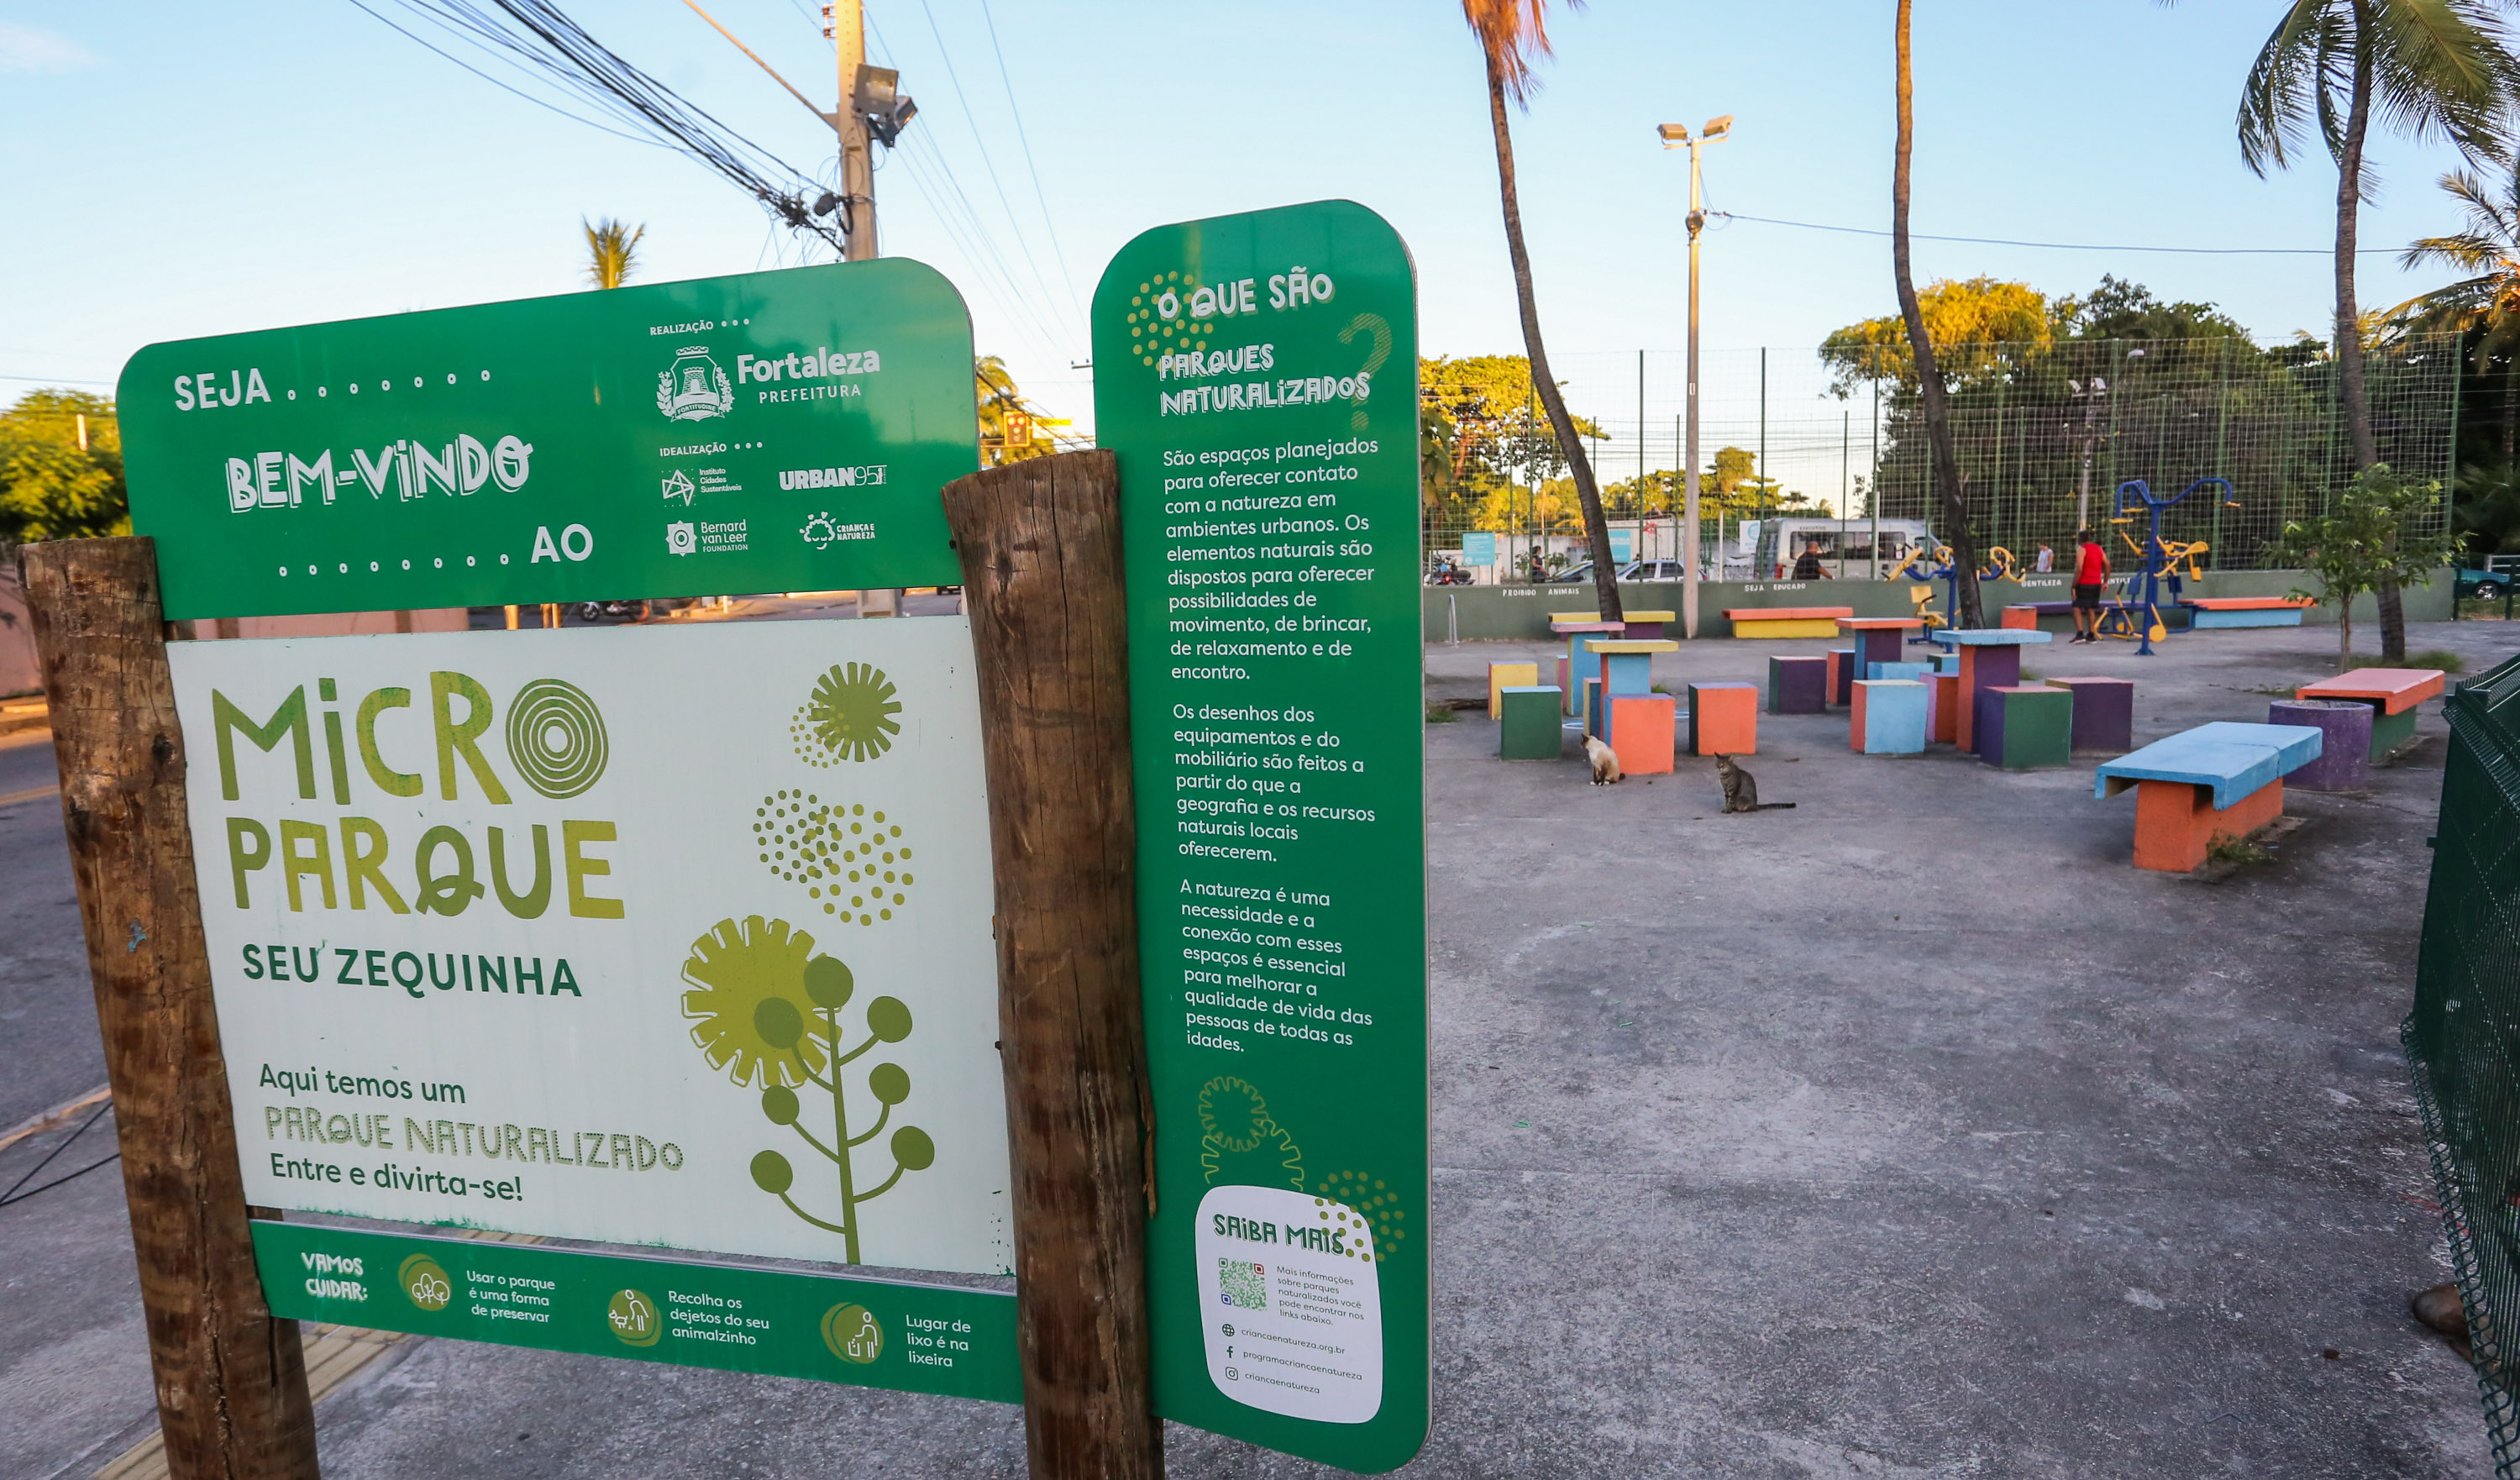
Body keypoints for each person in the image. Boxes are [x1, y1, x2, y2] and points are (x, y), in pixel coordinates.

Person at [2070, 529, 2109, 643]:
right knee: (2090, 608)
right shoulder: (2099, 548)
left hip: (2084, 582)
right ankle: (2091, 634)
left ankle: (2080, 633)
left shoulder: (2082, 550)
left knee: (2076, 606)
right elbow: (2107, 565)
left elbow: (2080, 568)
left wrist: (2074, 585)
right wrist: (2105, 581)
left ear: (2079, 540)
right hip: (2096, 583)